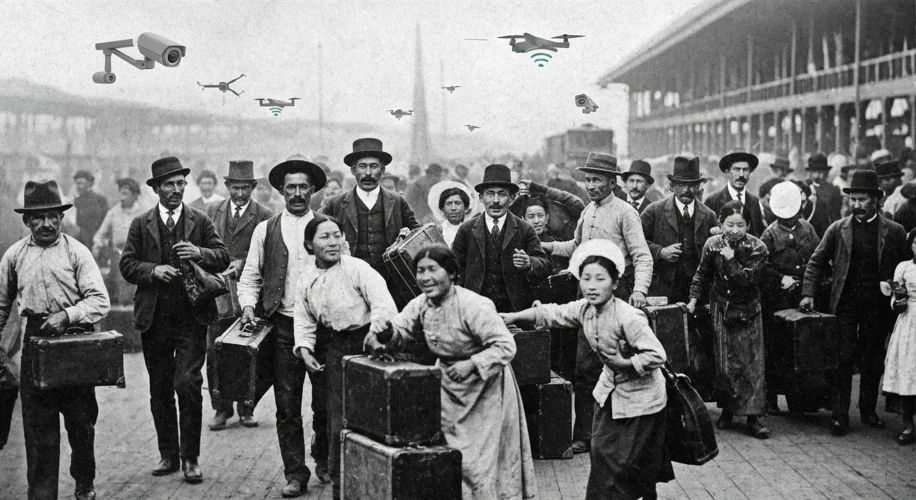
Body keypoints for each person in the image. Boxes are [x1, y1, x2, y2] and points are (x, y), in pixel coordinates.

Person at [501, 239, 673, 500]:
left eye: (600, 279)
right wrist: (513, 317)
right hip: (609, 394)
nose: (592, 286)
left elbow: (656, 354)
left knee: (627, 464)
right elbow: (551, 313)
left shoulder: (629, 317)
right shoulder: (585, 309)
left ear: (615, 283)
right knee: (603, 455)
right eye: (586, 279)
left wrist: (626, 364)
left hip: (642, 400)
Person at [365, 245, 538, 500]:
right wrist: (386, 332)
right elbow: (400, 330)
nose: (425, 277)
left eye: (433, 269)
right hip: (448, 387)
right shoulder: (420, 304)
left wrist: (471, 364)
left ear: (452, 273)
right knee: (453, 458)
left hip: (486, 392)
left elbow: (506, 345)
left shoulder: (474, 305)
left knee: (481, 464)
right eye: (420, 271)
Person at [120, 157, 230, 483]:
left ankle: (190, 458)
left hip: (192, 316)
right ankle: (167, 455)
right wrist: (153, 271)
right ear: (156, 189)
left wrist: (199, 253)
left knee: (188, 383)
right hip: (155, 319)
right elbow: (127, 264)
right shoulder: (141, 224)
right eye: (169, 184)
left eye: (180, 183)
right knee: (160, 388)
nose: (176, 189)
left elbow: (221, 255)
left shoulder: (199, 220)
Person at [0, 180, 110, 500]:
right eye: (38, 217)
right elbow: (2, 305)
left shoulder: (77, 252)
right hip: (35, 343)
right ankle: (42, 493)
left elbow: (99, 300)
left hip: (74, 342)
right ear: (27, 221)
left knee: (81, 424)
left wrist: (67, 316)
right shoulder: (14, 256)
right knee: (38, 429)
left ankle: (84, 480)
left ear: (62, 218)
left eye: (53, 216)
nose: (47, 223)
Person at [540, 152, 653, 454]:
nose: (590, 186)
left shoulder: (625, 213)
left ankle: (621, 433)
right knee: (585, 367)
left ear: (612, 182)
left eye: (596, 180)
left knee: (618, 366)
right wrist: (546, 245)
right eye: (588, 180)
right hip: (587, 296)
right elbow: (576, 246)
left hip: (616, 295)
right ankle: (586, 435)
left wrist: (639, 290)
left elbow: (641, 255)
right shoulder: (588, 211)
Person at [237, 158, 331, 497]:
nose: (296, 193)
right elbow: (250, 275)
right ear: (280, 191)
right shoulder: (266, 229)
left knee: (325, 402)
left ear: (313, 190)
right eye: (290, 187)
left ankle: (324, 458)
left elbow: (344, 271)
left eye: (303, 187)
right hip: (284, 328)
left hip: (323, 329)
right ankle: (295, 473)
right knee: (287, 405)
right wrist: (248, 304)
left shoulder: (327, 227)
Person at [293, 215, 397, 500]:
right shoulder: (306, 280)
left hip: (368, 344)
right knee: (337, 417)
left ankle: (376, 482)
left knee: (372, 414)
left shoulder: (357, 268)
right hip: (335, 347)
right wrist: (305, 350)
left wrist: (377, 334)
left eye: (337, 235)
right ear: (309, 244)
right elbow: (303, 320)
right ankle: (342, 485)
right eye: (324, 237)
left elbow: (382, 303)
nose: (333, 242)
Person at [801, 169, 910, 436]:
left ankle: (868, 411)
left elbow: (908, 266)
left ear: (876, 200)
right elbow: (815, 262)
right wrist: (808, 292)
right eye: (853, 200)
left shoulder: (894, 231)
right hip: (846, 303)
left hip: (877, 305)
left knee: (873, 358)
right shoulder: (838, 229)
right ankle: (840, 416)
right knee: (844, 357)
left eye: (863, 200)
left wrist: (901, 293)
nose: (857, 205)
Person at [688, 200, 771, 439]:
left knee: (751, 364)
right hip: (721, 309)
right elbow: (702, 274)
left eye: (741, 225)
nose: (735, 230)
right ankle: (727, 409)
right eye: (730, 224)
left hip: (748, 311)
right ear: (720, 224)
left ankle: (754, 417)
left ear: (748, 225)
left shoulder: (758, 247)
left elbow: (749, 279)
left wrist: (732, 259)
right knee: (724, 363)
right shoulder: (712, 244)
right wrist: (693, 299)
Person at [203, 160, 274, 431]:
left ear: (254, 187)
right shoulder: (212, 211)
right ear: (227, 186)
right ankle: (221, 408)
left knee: (247, 348)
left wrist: (244, 262)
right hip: (218, 291)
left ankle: (247, 406)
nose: (240, 194)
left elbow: (270, 251)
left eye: (245, 188)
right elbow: (202, 247)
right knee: (216, 347)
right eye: (235, 187)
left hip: (249, 292)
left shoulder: (264, 214)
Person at [320, 138, 420, 309]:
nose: (368, 173)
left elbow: (418, 233)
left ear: (382, 170)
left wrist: (405, 240)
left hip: (391, 285)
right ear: (353, 170)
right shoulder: (334, 204)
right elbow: (316, 235)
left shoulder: (397, 201)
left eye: (373, 166)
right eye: (362, 166)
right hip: (349, 284)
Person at [451, 164, 551, 313]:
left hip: (515, 311)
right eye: (490, 194)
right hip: (475, 311)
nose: (496, 200)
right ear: (481, 197)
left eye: (502, 194)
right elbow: (453, 269)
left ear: (512, 197)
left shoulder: (525, 229)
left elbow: (546, 264)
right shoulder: (466, 230)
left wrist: (529, 262)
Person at [759, 182, 820, 414]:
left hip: (801, 296)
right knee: (776, 348)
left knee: (800, 346)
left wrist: (807, 287)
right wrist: (780, 279)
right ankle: (771, 398)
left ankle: (799, 399)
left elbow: (816, 259)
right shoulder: (770, 234)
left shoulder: (808, 229)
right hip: (777, 298)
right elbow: (761, 266)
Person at [641, 156, 717, 304]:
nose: (686, 190)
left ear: (698, 188)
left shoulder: (709, 215)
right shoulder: (654, 211)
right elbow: (636, 244)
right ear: (671, 186)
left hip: (697, 294)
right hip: (663, 290)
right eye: (681, 185)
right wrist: (660, 251)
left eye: (692, 185)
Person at [882, 229, 916, 446]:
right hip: (909, 321)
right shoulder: (904, 267)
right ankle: (908, 424)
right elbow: (895, 296)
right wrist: (898, 300)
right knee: (907, 367)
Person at [92, 178, 146, 305]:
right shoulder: (114, 212)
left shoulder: (144, 213)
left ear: (135, 195)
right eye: (120, 193)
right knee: (120, 286)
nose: (122, 197)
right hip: (119, 256)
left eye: (125, 194)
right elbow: (98, 236)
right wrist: (98, 245)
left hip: (140, 256)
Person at [704, 148, 766, 237]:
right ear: (727, 172)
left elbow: (758, 234)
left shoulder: (754, 202)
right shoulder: (713, 201)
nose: (741, 174)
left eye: (745, 170)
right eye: (737, 169)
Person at [511, 178, 585, 241]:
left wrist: (540, 189)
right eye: (531, 217)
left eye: (540, 215)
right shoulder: (521, 237)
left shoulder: (567, 232)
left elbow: (576, 204)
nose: (536, 221)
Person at [427, 180, 477, 248]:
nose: (453, 208)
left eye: (457, 203)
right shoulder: (438, 232)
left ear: (465, 208)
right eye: (449, 204)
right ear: (442, 209)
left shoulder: (474, 229)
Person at [804, 153, 843, 237]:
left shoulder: (833, 190)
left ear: (823, 172)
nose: (811, 174)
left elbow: (835, 216)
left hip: (825, 232)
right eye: (811, 171)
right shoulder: (805, 187)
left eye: (814, 171)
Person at [72, 169, 110, 250]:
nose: (78, 187)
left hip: (97, 241)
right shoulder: (77, 201)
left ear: (89, 183)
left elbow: (107, 220)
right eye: (77, 184)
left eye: (81, 183)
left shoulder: (100, 199)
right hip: (81, 240)